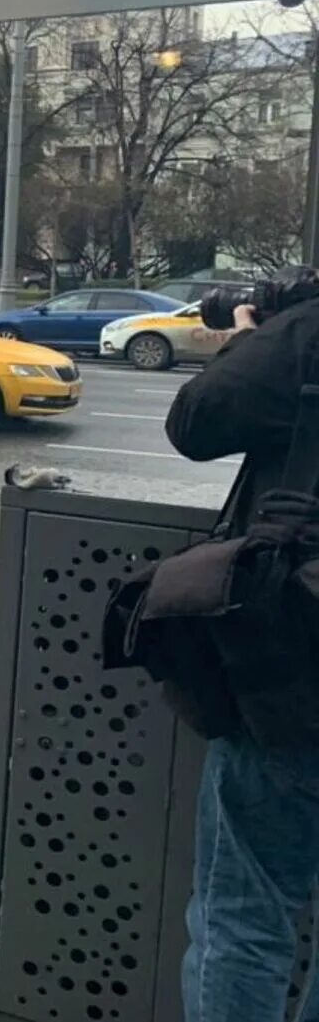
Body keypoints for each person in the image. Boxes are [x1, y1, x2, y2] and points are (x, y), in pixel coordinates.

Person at [163, 264, 319, 1022]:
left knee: (244, 914)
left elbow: (196, 421)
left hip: (297, 679)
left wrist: (260, 335)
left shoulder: (307, 336)